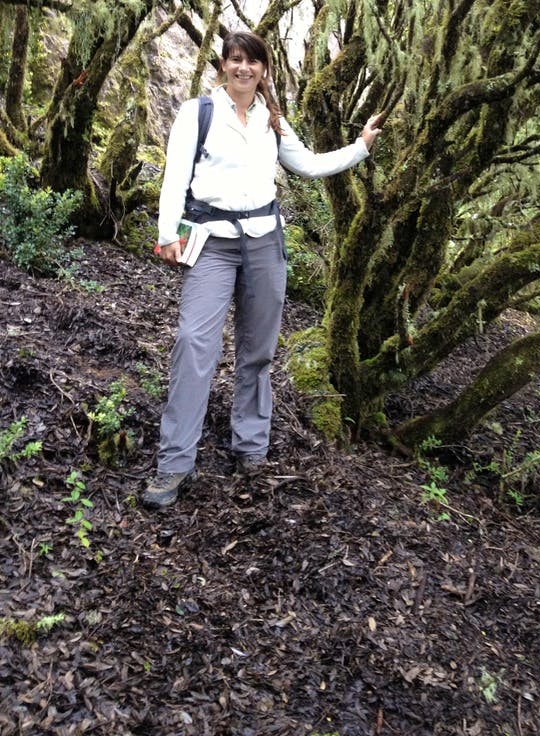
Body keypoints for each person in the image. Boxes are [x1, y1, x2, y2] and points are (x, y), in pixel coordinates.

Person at [142, 30, 382, 508]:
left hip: (265, 242)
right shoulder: (198, 112)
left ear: (264, 69)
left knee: (258, 350)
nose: (243, 68)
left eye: (252, 61)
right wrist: (169, 233)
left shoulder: (273, 120)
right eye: (234, 60)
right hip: (211, 242)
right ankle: (174, 463)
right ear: (223, 66)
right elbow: (174, 176)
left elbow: (308, 165)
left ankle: (250, 445)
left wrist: (360, 147)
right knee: (194, 343)